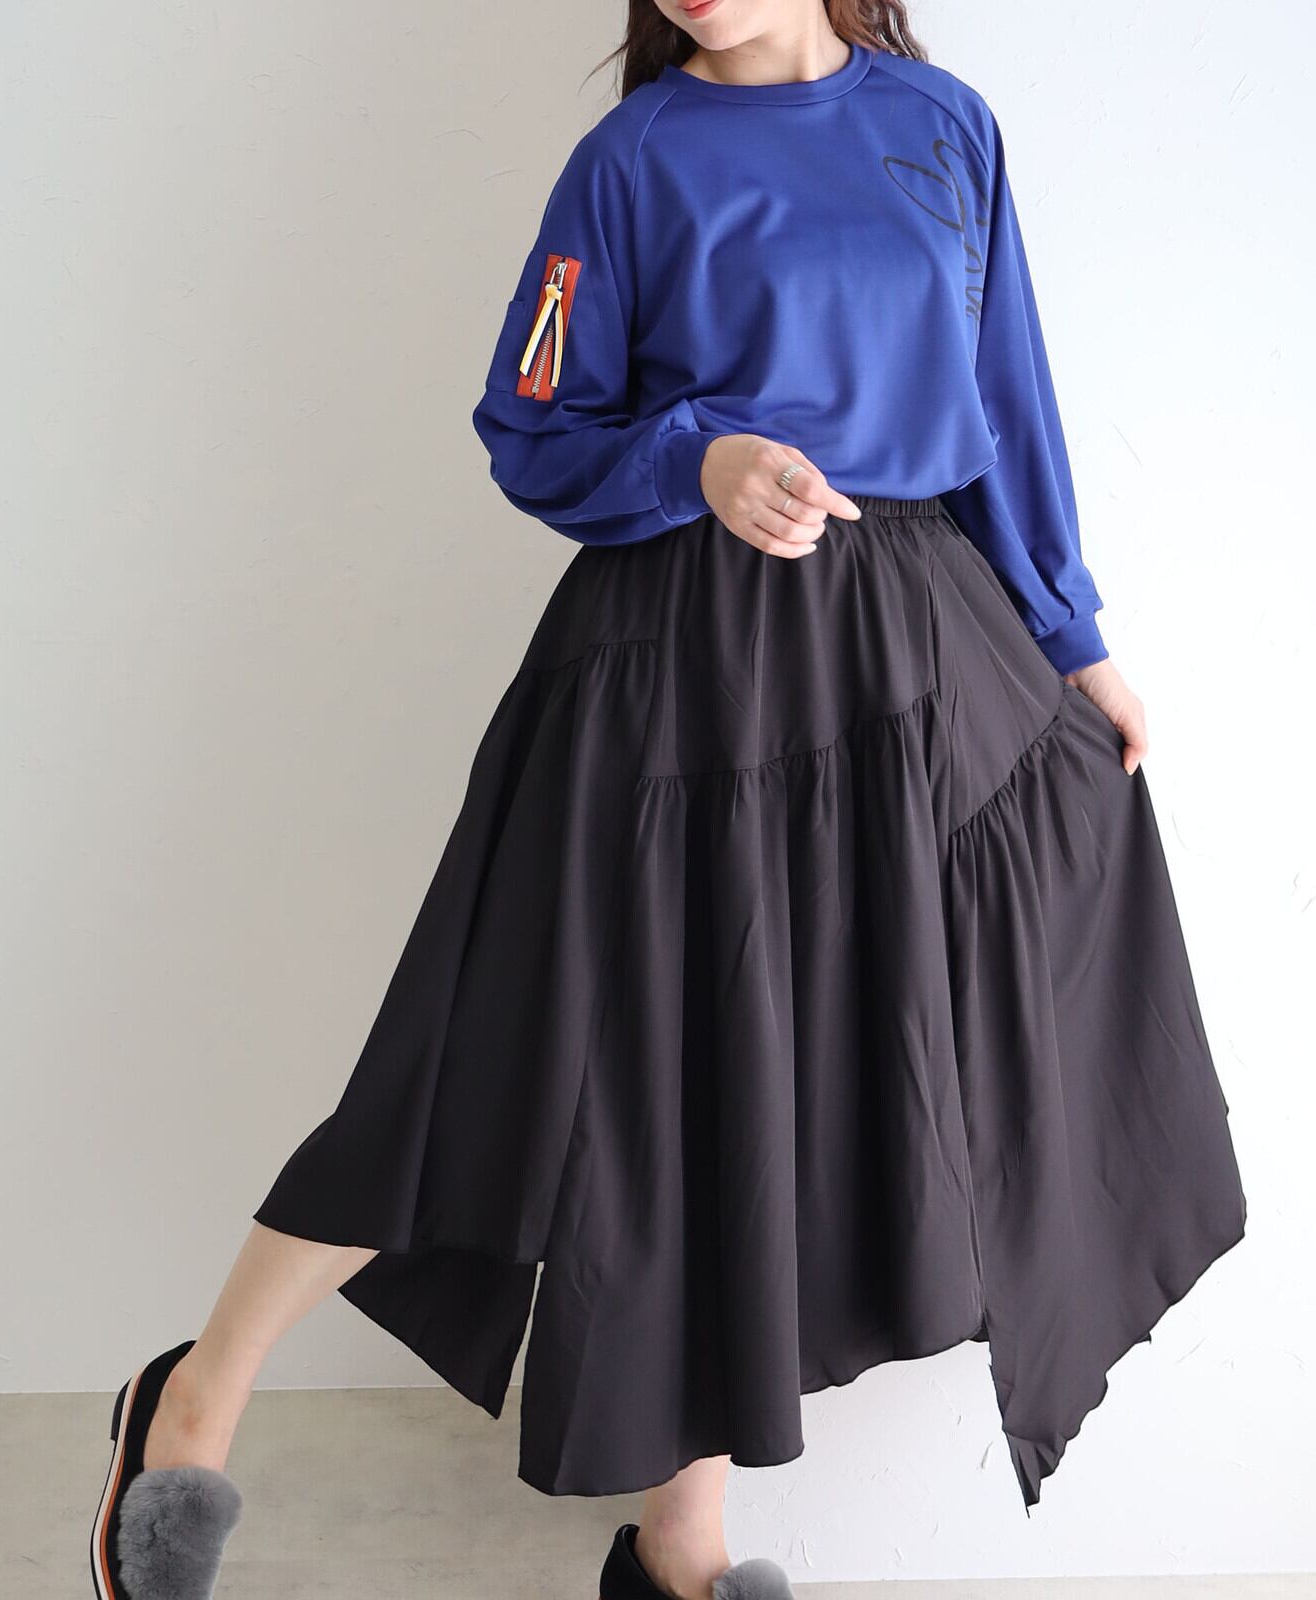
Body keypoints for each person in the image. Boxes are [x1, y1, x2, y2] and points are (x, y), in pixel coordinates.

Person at [88, 4, 1247, 1598]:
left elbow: (1006, 401)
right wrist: (698, 460)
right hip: (670, 670)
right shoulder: (631, 161)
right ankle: (194, 1395)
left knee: (748, 1089)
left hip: (902, 662)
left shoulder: (945, 129)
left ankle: (679, 1545)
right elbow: (532, 425)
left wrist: (1073, 640)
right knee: (482, 1064)